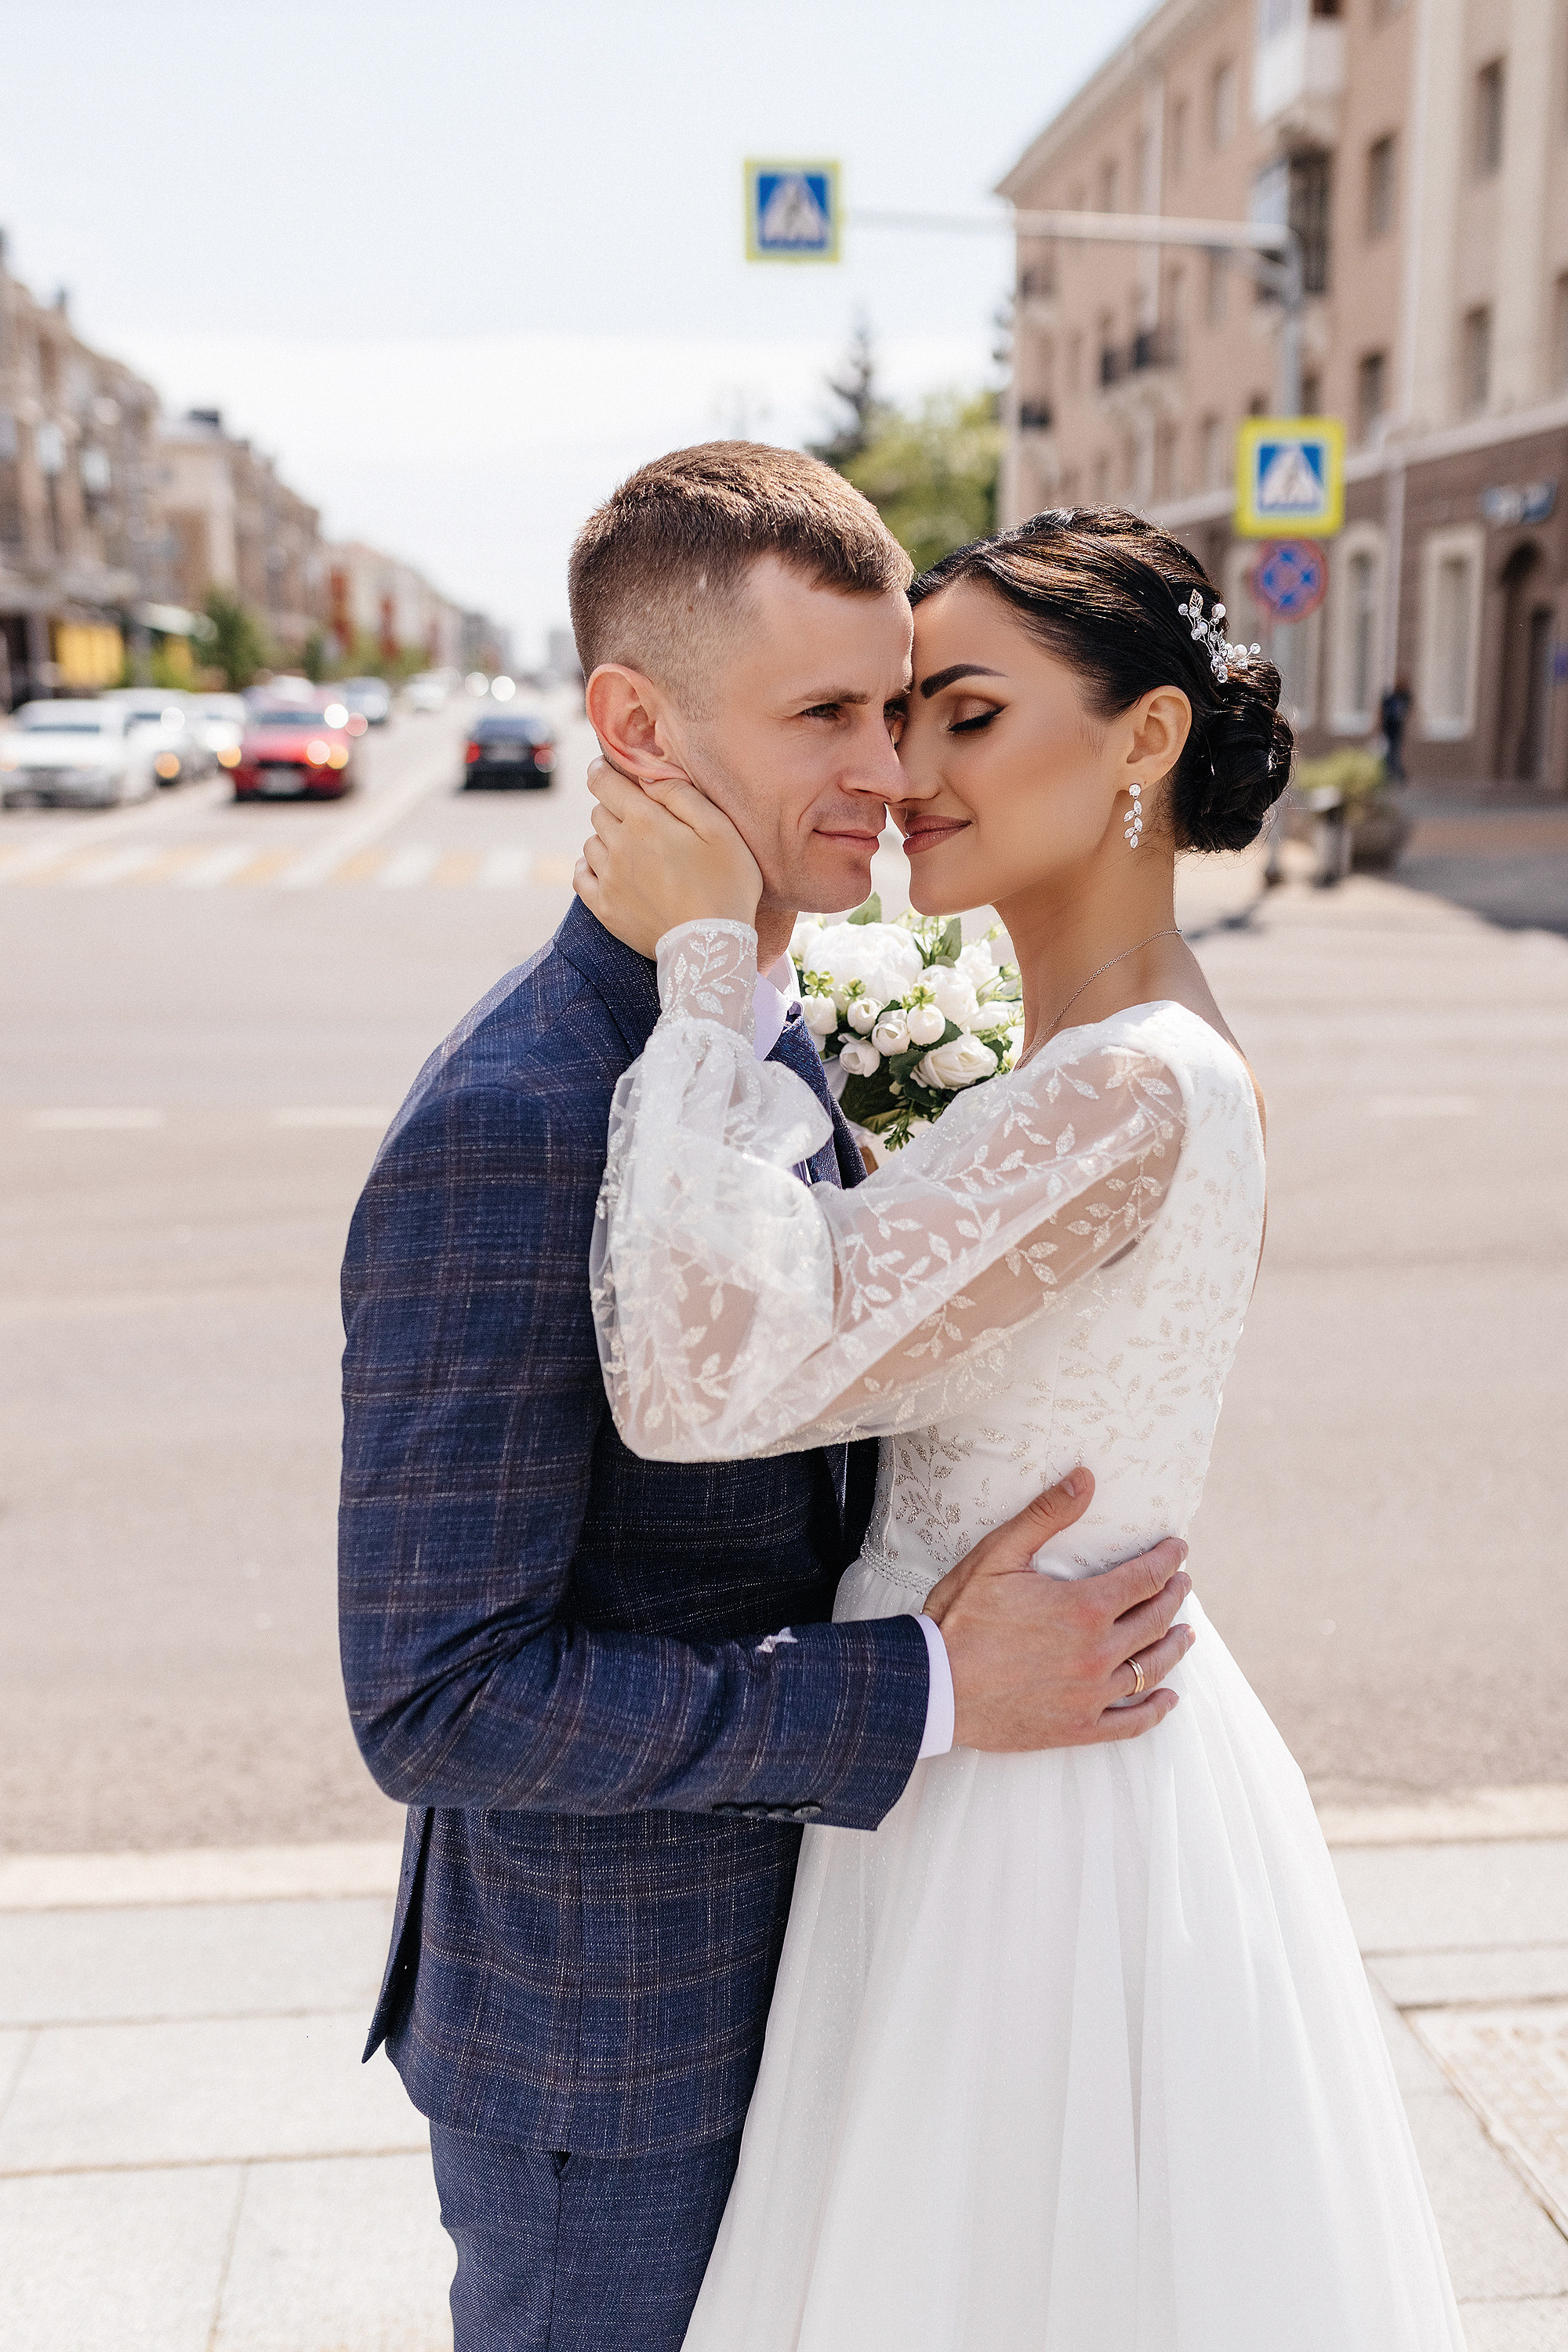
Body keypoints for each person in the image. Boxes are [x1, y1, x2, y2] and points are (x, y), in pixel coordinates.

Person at [578, 507, 1465, 2350]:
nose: (900, 771)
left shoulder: (1126, 1086)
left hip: (1026, 1822)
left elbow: (699, 1381)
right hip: (1029, 1746)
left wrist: (692, 977)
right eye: (901, 715)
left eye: (961, 714)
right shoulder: (1091, 1062)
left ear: (1140, 738)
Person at [337, 448, 1193, 2352]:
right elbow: (436, 1693)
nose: (888, 774)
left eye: (897, 706)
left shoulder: (769, 1028)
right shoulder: (516, 1117)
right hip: (611, 2062)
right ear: (635, 726)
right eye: (826, 713)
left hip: (842, 1982)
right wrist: (935, 1685)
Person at [1381, 676, 1413, 782]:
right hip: (1389, 727)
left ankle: (1396, 774)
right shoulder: (1391, 698)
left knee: (1393, 752)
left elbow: (1406, 709)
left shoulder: (1403, 698)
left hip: (1396, 728)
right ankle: (1393, 773)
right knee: (1391, 751)